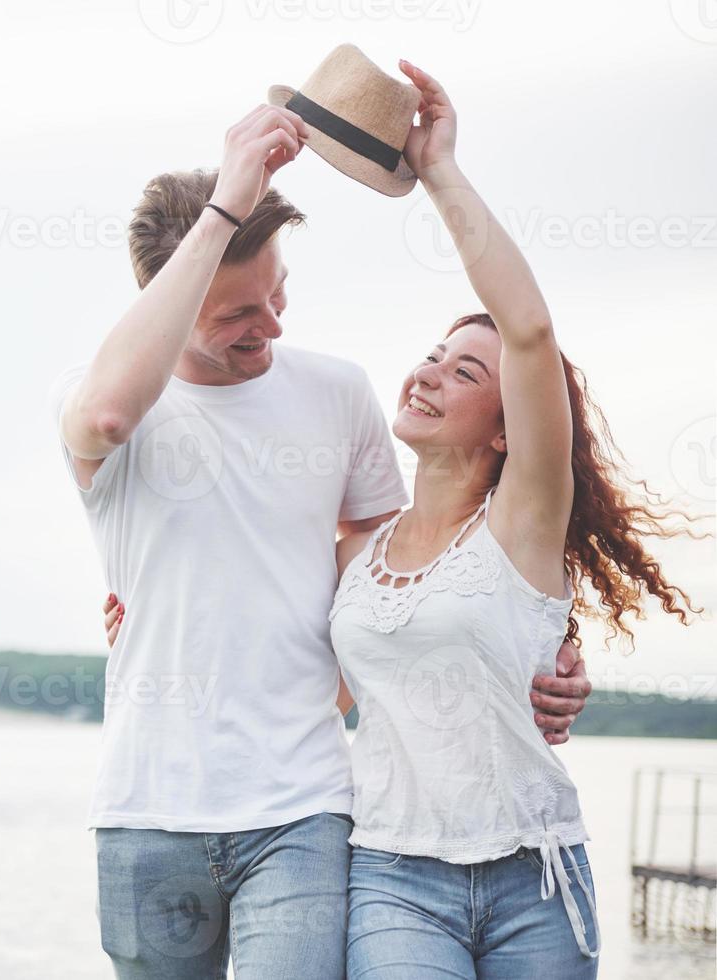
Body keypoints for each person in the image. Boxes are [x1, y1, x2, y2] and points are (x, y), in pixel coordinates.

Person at [51, 80, 592, 980]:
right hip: (147, 807)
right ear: (177, 299)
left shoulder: (335, 393)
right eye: (237, 313)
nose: (273, 322)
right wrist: (225, 201)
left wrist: (543, 639)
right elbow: (107, 418)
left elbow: (402, 575)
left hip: (306, 807)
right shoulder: (98, 396)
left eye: (279, 293)